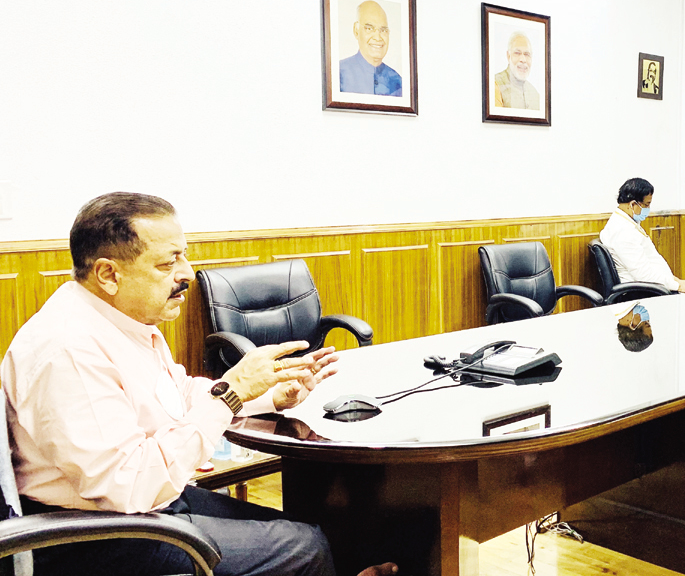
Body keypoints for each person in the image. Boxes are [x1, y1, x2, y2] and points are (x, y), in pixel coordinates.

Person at [1, 192, 397, 576]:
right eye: (167, 263)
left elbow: (177, 394)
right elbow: (128, 485)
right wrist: (231, 393)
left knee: (310, 529)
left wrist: (267, 394)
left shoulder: (116, 319)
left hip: (142, 504)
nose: (186, 273)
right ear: (108, 274)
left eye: (184, 255)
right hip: (92, 536)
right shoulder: (68, 349)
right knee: (303, 547)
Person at [599, 178, 685, 294]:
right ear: (633, 204)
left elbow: (650, 263)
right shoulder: (622, 231)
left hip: (656, 286)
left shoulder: (627, 223)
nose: (648, 209)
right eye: (646, 204)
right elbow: (643, 275)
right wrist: (678, 286)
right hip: (644, 291)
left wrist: (677, 281)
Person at [339, 0, 403, 97]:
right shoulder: (339, 73)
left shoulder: (398, 82)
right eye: (369, 28)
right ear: (356, 31)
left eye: (383, 30)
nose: (377, 37)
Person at [494, 32, 540, 109]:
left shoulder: (535, 94)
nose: (523, 60)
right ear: (508, 56)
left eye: (527, 54)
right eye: (517, 53)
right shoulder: (495, 84)